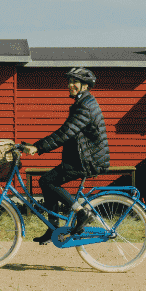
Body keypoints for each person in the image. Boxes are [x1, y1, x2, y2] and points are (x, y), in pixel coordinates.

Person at [20, 66, 110, 243]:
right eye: (69, 81)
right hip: (81, 159)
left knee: (47, 180)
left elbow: (65, 133)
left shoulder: (85, 106)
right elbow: (68, 134)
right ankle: (54, 228)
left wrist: (38, 148)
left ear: (85, 85)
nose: (70, 85)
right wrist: (32, 145)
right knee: (47, 182)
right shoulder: (82, 103)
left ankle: (82, 212)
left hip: (87, 161)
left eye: (75, 82)